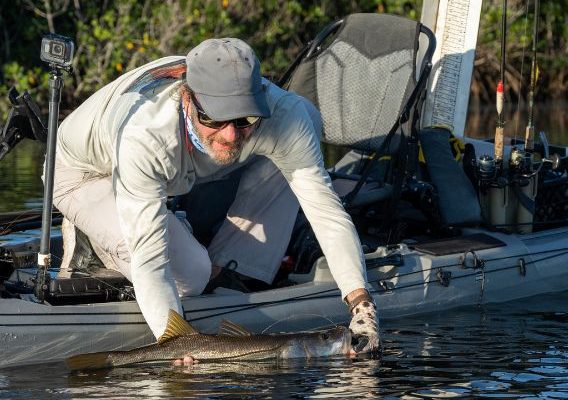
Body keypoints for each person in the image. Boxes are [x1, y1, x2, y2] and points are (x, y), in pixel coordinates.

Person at [52, 38, 379, 360]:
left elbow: (324, 210)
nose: (231, 135)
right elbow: (151, 261)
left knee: (305, 119)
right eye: (215, 118)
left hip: (181, 169)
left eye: (245, 120)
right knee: (190, 276)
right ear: (187, 98)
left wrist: (360, 304)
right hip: (87, 175)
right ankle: (89, 237)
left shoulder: (283, 113)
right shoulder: (147, 132)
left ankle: (228, 267)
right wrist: (178, 345)